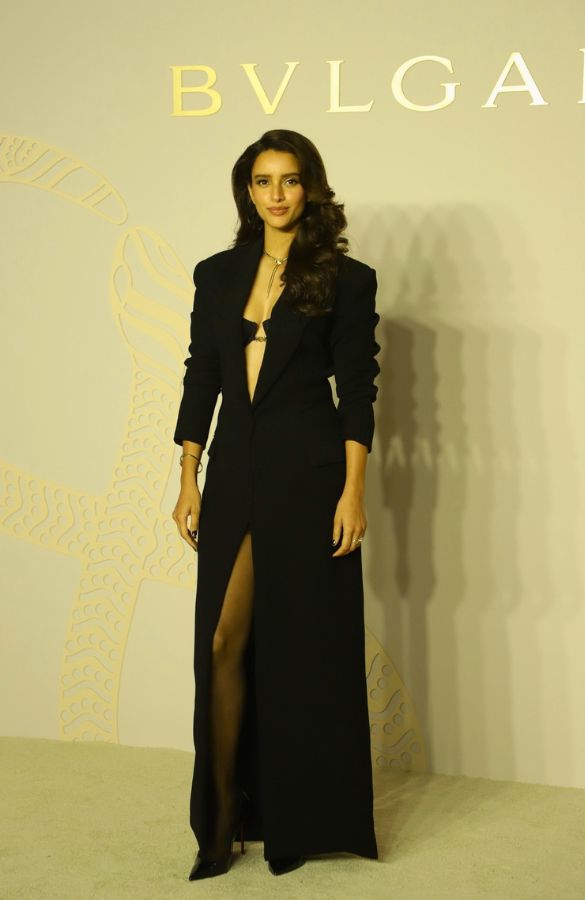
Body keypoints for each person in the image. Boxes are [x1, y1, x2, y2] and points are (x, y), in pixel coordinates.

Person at [172, 129, 382, 880]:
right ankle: (221, 822)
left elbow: (357, 388)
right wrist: (188, 474)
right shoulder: (217, 274)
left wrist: (353, 491)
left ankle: (297, 819)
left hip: (310, 475)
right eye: (263, 181)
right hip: (234, 472)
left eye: (289, 180)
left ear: (310, 188)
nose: (277, 194)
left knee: (299, 649)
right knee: (223, 643)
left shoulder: (346, 279)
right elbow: (202, 373)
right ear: (247, 192)